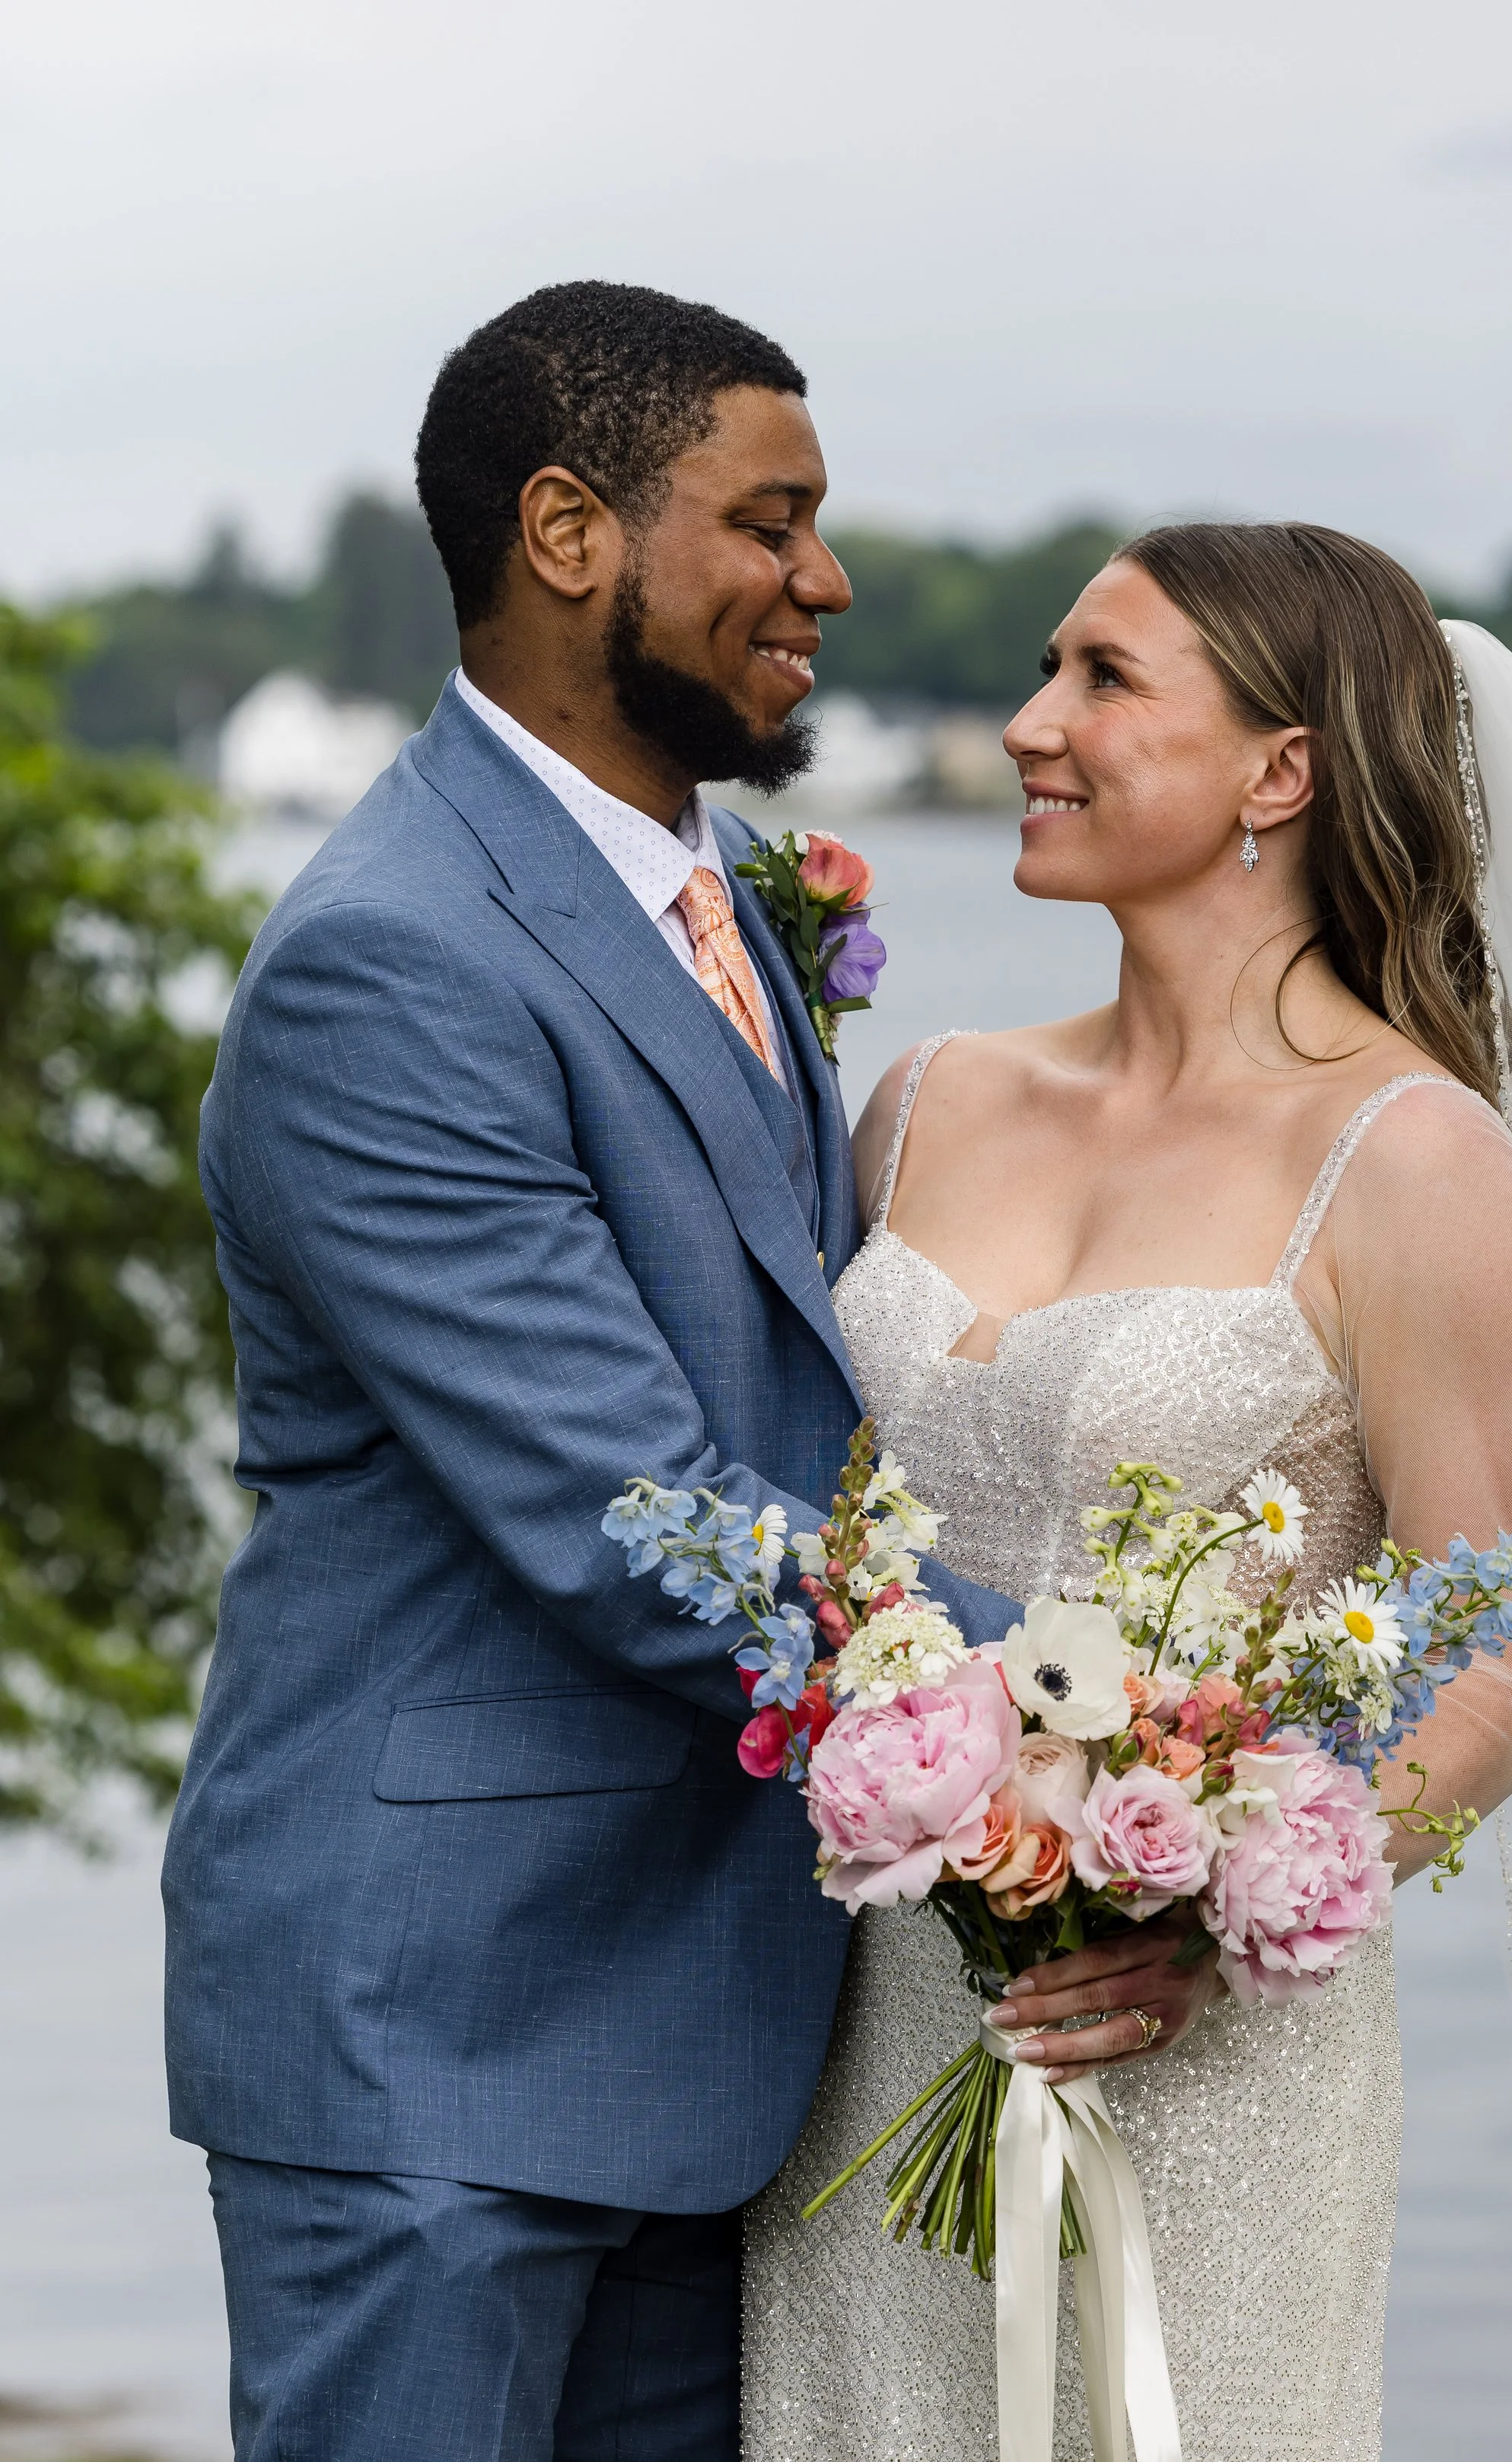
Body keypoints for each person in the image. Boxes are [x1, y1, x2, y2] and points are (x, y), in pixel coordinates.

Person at [161, 281, 1017, 2462]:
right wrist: (1106, 1709)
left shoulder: (717, 894)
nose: (823, 579)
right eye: (771, 519)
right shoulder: (395, 957)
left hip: (705, 2022)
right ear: (568, 532)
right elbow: (634, 1512)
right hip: (435, 2014)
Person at [743, 524, 1512, 2460]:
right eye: (1047, 669)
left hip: (1193, 2051)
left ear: (1275, 774)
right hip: (867, 2013)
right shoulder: (923, 1100)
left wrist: (1208, 1891)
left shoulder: (1419, 1173)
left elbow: (1497, 1666)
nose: (1033, 723)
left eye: (1103, 682)